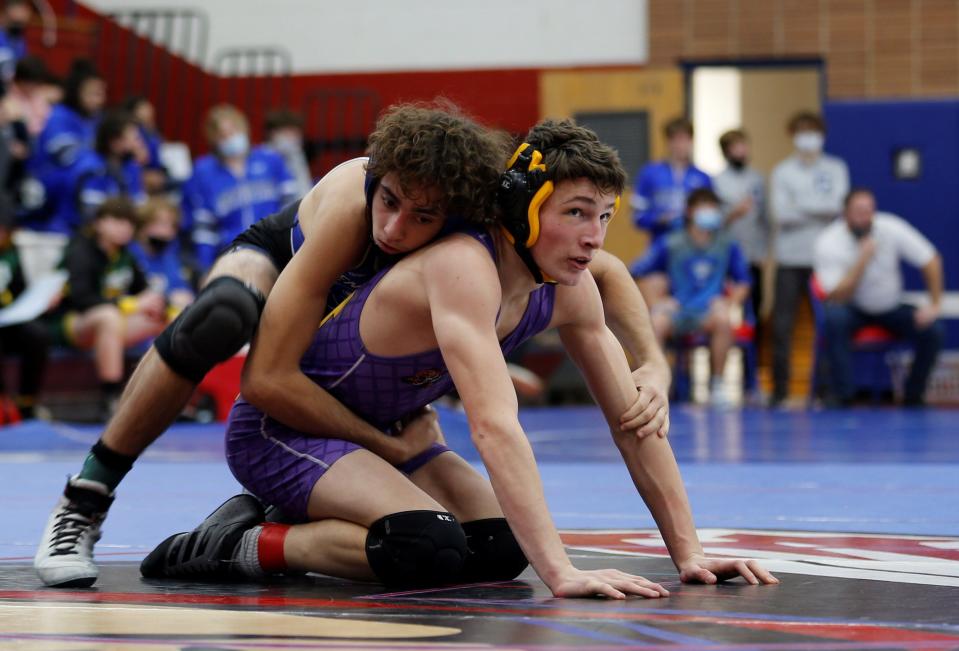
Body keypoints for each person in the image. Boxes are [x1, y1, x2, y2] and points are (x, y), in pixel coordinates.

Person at [34, 102, 671, 589]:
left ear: (454, 209)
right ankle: (85, 498)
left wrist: (652, 361)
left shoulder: (468, 220)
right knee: (221, 316)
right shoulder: (353, 204)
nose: (396, 229)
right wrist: (388, 444)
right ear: (379, 178)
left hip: (353, 358)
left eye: (421, 217)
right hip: (290, 269)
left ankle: (282, 509)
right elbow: (268, 382)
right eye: (389, 201)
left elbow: (602, 271)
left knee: (486, 548)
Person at [143, 120, 774, 597]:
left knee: (500, 547)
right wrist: (561, 571)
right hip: (285, 430)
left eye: (604, 216)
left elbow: (633, 422)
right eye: (576, 214)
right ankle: (239, 544)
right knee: (423, 544)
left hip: (388, 435)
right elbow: (494, 426)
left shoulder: (569, 287)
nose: (593, 236)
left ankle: (298, 511)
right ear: (525, 207)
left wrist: (688, 551)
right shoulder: (464, 267)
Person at [813, 188, 943, 407]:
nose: (866, 217)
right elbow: (836, 296)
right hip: (852, 307)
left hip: (890, 307)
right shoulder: (829, 241)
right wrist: (862, 260)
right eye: (859, 211)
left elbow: (931, 259)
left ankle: (913, 396)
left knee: (934, 330)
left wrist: (935, 304)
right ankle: (843, 396)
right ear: (845, 213)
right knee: (834, 319)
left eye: (869, 210)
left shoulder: (890, 227)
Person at [43, 197, 166, 417]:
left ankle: (163, 394)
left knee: (166, 318)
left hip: (110, 326)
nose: (124, 228)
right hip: (72, 322)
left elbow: (144, 291)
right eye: (117, 220)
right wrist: (131, 304)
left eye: (129, 223)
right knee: (108, 317)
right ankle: (110, 399)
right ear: (99, 223)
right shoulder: (80, 250)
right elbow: (81, 299)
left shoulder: (125, 255)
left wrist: (159, 304)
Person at [631, 188, 751, 407]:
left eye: (712, 207)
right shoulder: (671, 242)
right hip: (677, 310)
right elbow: (637, 272)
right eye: (703, 207)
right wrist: (657, 301)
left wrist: (729, 301)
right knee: (655, 323)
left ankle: (717, 385)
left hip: (707, 312)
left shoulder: (727, 243)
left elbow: (743, 282)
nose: (709, 212)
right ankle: (653, 385)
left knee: (724, 320)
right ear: (689, 211)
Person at [769, 111, 849, 407]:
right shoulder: (782, 171)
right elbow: (781, 214)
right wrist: (819, 209)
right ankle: (780, 392)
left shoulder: (836, 168)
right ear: (792, 135)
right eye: (801, 131)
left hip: (826, 260)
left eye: (812, 131)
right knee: (782, 326)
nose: (808, 137)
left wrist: (799, 206)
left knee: (829, 324)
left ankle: (826, 391)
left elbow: (838, 207)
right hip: (789, 259)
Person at [17, 60, 106, 283]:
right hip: (46, 191)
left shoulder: (96, 121)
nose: (98, 99)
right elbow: (67, 157)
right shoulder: (59, 115)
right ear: (76, 92)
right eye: (92, 93)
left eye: (101, 93)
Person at [181, 104, 298, 271]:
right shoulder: (204, 172)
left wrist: (291, 246)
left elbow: (291, 207)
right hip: (232, 257)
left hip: (277, 249)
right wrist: (205, 269)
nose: (231, 138)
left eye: (234, 131)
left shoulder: (270, 159)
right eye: (223, 135)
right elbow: (204, 228)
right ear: (214, 140)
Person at [712, 129, 767, 351]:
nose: (741, 151)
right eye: (735, 146)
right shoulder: (717, 182)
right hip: (726, 256)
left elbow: (764, 219)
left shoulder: (757, 179)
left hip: (753, 255)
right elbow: (713, 222)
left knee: (755, 309)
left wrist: (763, 252)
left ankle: (751, 375)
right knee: (723, 310)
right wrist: (733, 213)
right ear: (726, 152)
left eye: (744, 145)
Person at [0, 205, 49, 419]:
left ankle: (27, 401)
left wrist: (39, 301)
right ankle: (3, 401)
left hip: (7, 319)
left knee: (38, 334)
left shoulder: (11, 252)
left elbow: (20, 290)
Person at [632, 116, 711, 239]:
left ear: (691, 142)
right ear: (668, 142)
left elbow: (712, 218)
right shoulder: (649, 173)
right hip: (660, 248)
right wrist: (659, 219)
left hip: (692, 248)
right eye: (676, 140)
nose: (680, 145)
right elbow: (637, 217)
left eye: (685, 139)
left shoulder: (703, 178)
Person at [72, 110, 147, 222]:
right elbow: (91, 214)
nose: (140, 144)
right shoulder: (92, 167)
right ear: (115, 143)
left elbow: (140, 208)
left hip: (119, 228)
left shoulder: (131, 166)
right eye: (135, 139)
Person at [128, 197, 195, 314]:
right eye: (161, 224)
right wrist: (169, 299)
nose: (167, 232)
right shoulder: (129, 255)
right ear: (143, 225)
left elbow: (184, 294)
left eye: (172, 226)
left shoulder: (169, 257)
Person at [264, 108, 312, 197]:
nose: (295, 137)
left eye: (297, 133)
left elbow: (304, 186)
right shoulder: (264, 157)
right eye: (289, 133)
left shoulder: (296, 155)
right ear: (274, 134)